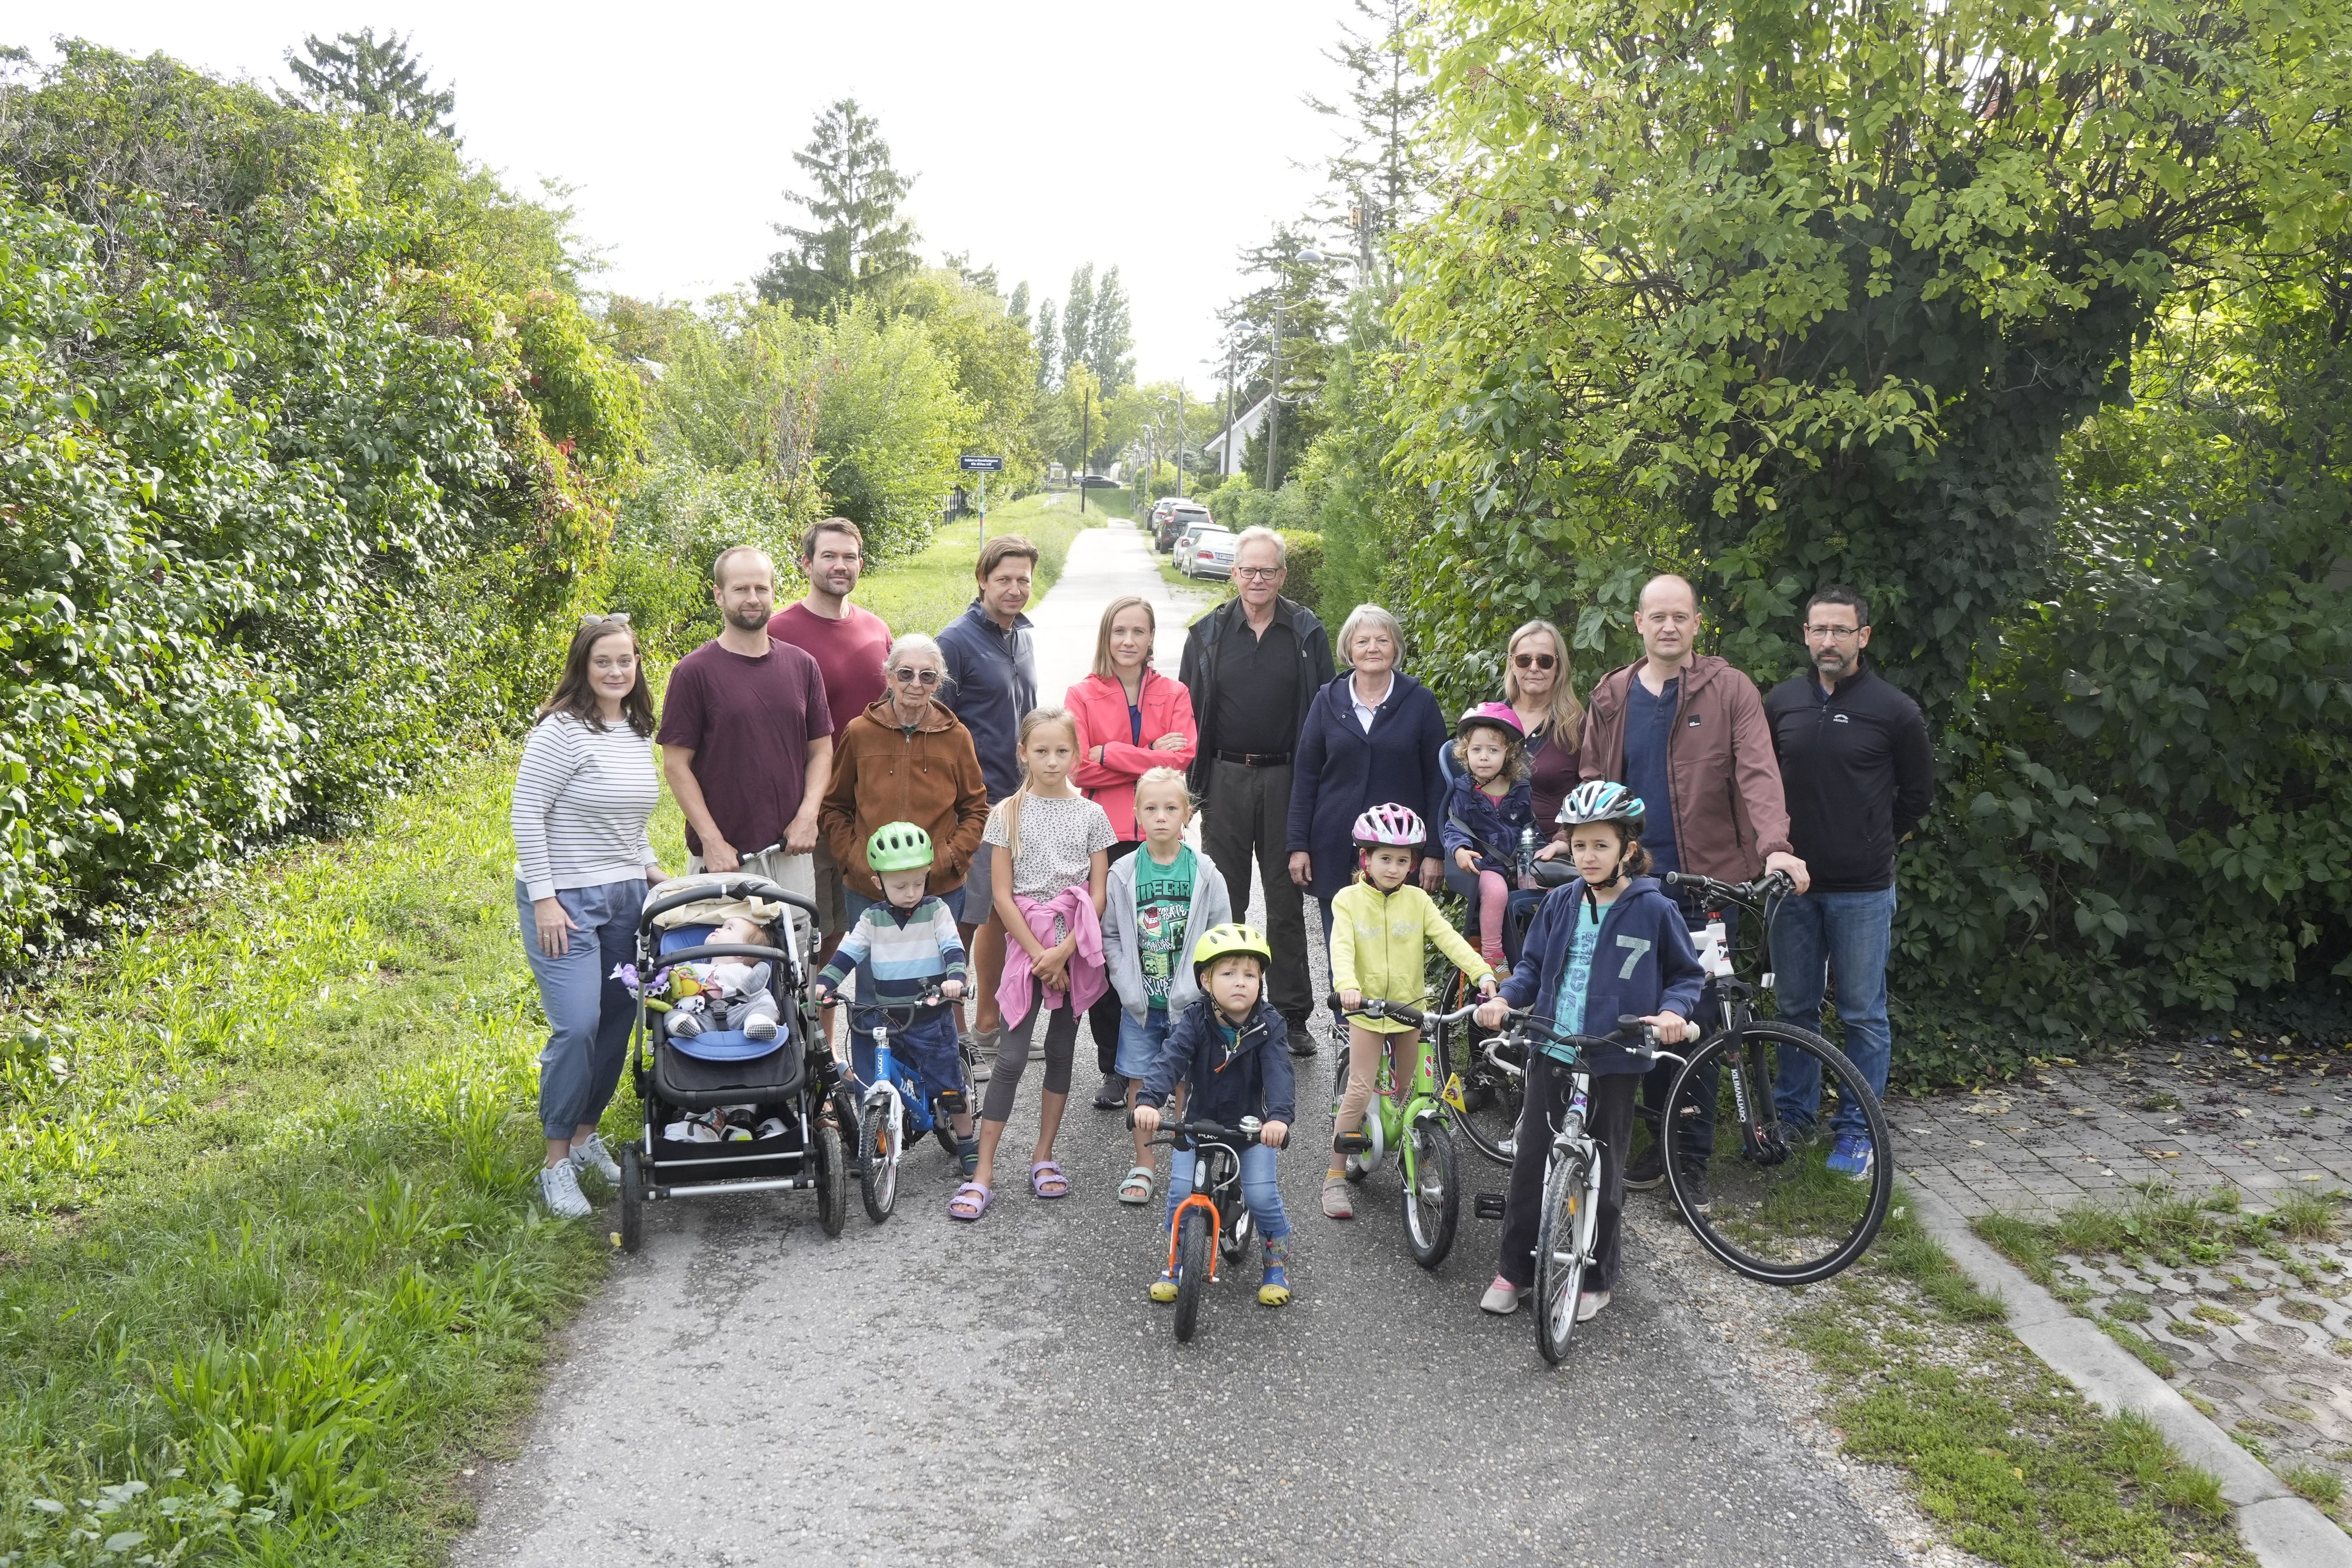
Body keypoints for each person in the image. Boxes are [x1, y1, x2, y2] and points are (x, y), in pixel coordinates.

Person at [1579, 573, 1808, 1203]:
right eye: (1657, 617)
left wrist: (1776, 847)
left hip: (1709, 889)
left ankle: (1692, 1163)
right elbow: (1593, 782)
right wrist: (1579, 849)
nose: (1668, 627)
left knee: (1700, 1018)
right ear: (1638, 623)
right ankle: (1649, 1141)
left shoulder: (1728, 689)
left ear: (1697, 624)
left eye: (1680, 616)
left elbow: (1758, 772)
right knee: (1636, 1017)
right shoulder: (1614, 694)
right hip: (1635, 886)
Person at [1475, 781, 1703, 1322]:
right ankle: (1514, 1268)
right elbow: (1530, 968)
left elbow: (1686, 975)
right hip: (1552, 1047)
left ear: (1627, 847)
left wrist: (1674, 1012)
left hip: (1615, 1054)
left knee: (1605, 1168)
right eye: (1579, 846)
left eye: (1601, 845)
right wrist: (1505, 998)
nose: (1588, 856)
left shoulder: (1654, 909)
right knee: (1531, 1162)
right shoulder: (1558, 903)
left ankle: (1597, 1276)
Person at [1763, 585, 1934, 1179]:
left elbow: (1916, 798)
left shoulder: (1894, 710)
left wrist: (1873, 840)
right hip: (1791, 889)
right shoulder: (1780, 701)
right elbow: (1758, 783)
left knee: (1862, 1014)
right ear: (1805, 634)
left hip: (1862, 888)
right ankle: (1792, 1118)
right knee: (1793, 1008)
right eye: (1818, 630)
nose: (1828, 642)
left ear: (1863, 636)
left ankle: (1857, 1131)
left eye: (1840, 631)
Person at [511, 614, 668, 1220]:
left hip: (626, 894)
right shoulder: (560, 731)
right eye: (603, 661)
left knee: (614, 1025)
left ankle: (584, 1136)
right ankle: (553, 1162)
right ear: (583, 666)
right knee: (575, 1026)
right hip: (566, 903)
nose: (615, 671)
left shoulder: (634, 728)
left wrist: (651, 868)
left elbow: (626, 818)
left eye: (625, 661)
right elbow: (528, 813)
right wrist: (546, 897)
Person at [953, 707, 1115, 1220]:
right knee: (1011, 1057)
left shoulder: (1092, 815)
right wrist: (1041, 956)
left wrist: (1065, 952)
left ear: (1076, 754)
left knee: (1064, 1053)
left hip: (1074, 943)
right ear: (1022, 753)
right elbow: (1001, 897)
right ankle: (984, 1170)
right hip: (1027, 946)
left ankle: (1043, 1155)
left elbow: (1098, 894)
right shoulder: (1007, 813)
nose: (1051, 761)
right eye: (1040, 751)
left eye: (1061, 751)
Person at [1179, 527, 1335, 1053]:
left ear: (1283, 575)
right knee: (1226, 898)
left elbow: (1325, 713)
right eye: (1248, 569)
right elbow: (1188, 715)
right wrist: (1189, 791)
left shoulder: (1307, 632)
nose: (1258, 579)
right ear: (1234, 573)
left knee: (1287, 899)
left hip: (1287, 777)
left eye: (1268, 570)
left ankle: (1293, 1014)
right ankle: (1226, 1009)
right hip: (1224, 779)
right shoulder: (1206, 633)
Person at [657, 547, 834, 957]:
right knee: (723, 970)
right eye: (740, 589)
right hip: (726, 859)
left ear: (774, 592)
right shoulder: (693, 672)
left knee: (796, 968)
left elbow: (821, 751)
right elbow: (676, 765)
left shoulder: (802, 665)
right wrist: (712, 841)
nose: (752, 598)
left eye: (761, 587)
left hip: (790, 853)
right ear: (719, 595)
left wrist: (808, 818)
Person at [1323, 803, 1497, 1220]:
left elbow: (1450, 939)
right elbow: (1342, 947)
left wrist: (1482, 972)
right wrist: (1346, 986)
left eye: (1403, 860)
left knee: (1412, 1092)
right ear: (1366, 858)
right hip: (1365, 1010)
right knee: (1361, 1089)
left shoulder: (1418, 900)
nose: (1394, 867)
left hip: (1410, 1010)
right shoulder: (1348, 900)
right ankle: (1333, 1175)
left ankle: (1416, 1159)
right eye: (1385, 858)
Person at [1067, 594, 1198, 1106]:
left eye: (1138, 631)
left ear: (1151, 638)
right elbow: (1078, 767)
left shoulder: (1175, 691)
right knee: (1106, 948)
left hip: (1163, 832)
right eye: (1119, 630)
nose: (1128, 640)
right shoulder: (1082, 693)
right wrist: (1146, 758)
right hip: (1105, 833)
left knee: (1161, 945)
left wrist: (1110, 753)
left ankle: (1167, 1055)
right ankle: (1114, 1066)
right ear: (1107, 635)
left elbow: (1182, 758)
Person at [1287, 604, 1451, 1011]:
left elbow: (1439, 782)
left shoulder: (1420, 702)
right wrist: (1298, 844)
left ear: (1396, 647)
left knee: (1397, 959)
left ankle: (1397, 1050)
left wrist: (1433, 851)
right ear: (1348, 649)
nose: (1373, 647)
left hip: (1400, 855)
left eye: (1382, 639)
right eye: (1363, 640)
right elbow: (1306, 775)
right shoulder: (1328, 700)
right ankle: (1350, 1051)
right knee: (1342, 955)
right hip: (1333, 848)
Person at [1133, 924, 1297, 1308]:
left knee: (1261, 1194)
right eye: (1228, 973)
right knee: (1179, 1193)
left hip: (1251, 1128)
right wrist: (1149, 1100)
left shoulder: (1268, 1023)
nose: (1240, 982)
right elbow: (1170, 1059)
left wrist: (1279, 1118)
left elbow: (1279, 1073)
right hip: (1198, 1123)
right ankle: (1174, 1264)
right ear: (1206, 980)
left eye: (1250, 974)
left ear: (1261, 981)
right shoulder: (1195, 1019)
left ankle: (1275, 1263)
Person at [767, 517, 894, 1010]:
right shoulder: (780, 630)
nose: (840, 565)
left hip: (870, 811)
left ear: (860, 564)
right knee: (811, 934)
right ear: (806, 563)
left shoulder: (876, 630)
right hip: (808, 812)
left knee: (850, 931)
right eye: (828, 556)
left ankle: (835, 1053)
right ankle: (808, 1053)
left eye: (849, 557)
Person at [811, 821, 978, 1176]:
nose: (911, 892)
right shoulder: (872, 919)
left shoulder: (936, 911)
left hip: (930, 1014)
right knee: (876, 1078)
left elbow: (952, 946)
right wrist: (825, 984)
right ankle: (878, 1139)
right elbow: (847, 954)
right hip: (888, 1016)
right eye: (901, 885)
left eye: (919, 882)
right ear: (878, 883)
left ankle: (966, 1141)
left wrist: (955, 979)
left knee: (947, 1085)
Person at [1100, 767, 1231, 1205]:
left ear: (1187, 814)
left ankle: (1186, 1159)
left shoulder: (1206, 873)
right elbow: (1111, 935)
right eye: (1151, 808)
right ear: (1136, 814)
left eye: (1171, 808)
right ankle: (1144, 1164)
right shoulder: (1122, 872)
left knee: (1186, 1081)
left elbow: (1221, 934)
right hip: (1141, 1005)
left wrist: (1210, 986)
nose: (1161, 816)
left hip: (1191, 1004)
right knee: (1140, 1081)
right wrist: (1125, 982)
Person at [938, 535, 1040, 1082]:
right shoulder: (955, 641)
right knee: (967, 916)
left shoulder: (1022, 635)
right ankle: (958, 1032)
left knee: (1006, 911)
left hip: (1017, 803)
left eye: (1023, 579)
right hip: (972, 806)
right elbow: (935, 726)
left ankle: (990, 1021)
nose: (1015, 588)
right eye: (1004, 579)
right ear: (983, 579)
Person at [818, 632, 990, 924]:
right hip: (869, 889)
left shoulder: (957, 736)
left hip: (938, 890)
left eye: (927, 676)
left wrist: (947, 859)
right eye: (906, 673)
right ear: (889, 677)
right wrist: (855, 858)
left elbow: (976, 809)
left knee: (936, 970)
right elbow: (834, 805)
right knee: (872, 970)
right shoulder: (860, 732)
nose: (915, 684)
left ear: (938, 683)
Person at [1441, 701, 1547, 968]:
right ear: (1466, 754)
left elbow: (1529, 824)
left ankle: (1546, 949)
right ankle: (1493, 956)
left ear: (1508, 754)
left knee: (1554, 884)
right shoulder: (1465, 791)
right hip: (1485, 865)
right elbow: (1455, 826)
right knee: (1497, 891)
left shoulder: (1519, 788)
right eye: (1476, 750)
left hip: (1518, 861)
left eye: (1492, 750)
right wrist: (1460, 850)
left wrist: (1540, 850)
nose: (1484, 757)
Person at [1499, 619, 1586, 830]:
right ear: (1512, 663)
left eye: (1545, 660)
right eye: (1524, 660)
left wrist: (1564, 841)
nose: (1534, 668)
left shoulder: (1578, 726)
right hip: (1493, 851)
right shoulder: (1492, 720)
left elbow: (1592, 790)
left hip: (1554, 853)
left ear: (1558, 667)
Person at [663, 912, 781, 1041]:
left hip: (737, 1013)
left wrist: (771, 1011)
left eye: (728, 928)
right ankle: (684, 1025)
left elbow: (760, 994)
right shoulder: (694, 968)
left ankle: (757, 1022)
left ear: (741, 952)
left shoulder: (745, 971)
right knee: (672, 1014)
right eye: (722, 926)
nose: (717, 929)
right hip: (700, 1015)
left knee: (765, 1007)